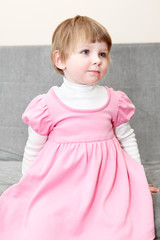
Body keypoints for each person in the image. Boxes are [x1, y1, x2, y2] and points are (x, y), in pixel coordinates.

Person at [0, 15, 159, 240]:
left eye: (102, 53)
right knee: (42, 219)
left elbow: (127, 138)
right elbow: (33, 148)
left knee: (115, 221)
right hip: (62, 180)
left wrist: (138, 178)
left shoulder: (114, 100)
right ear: (60, 60)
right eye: (86, 52)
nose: (97, 60)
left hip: (105, 179)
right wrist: (29, 182)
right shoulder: (47, 104)